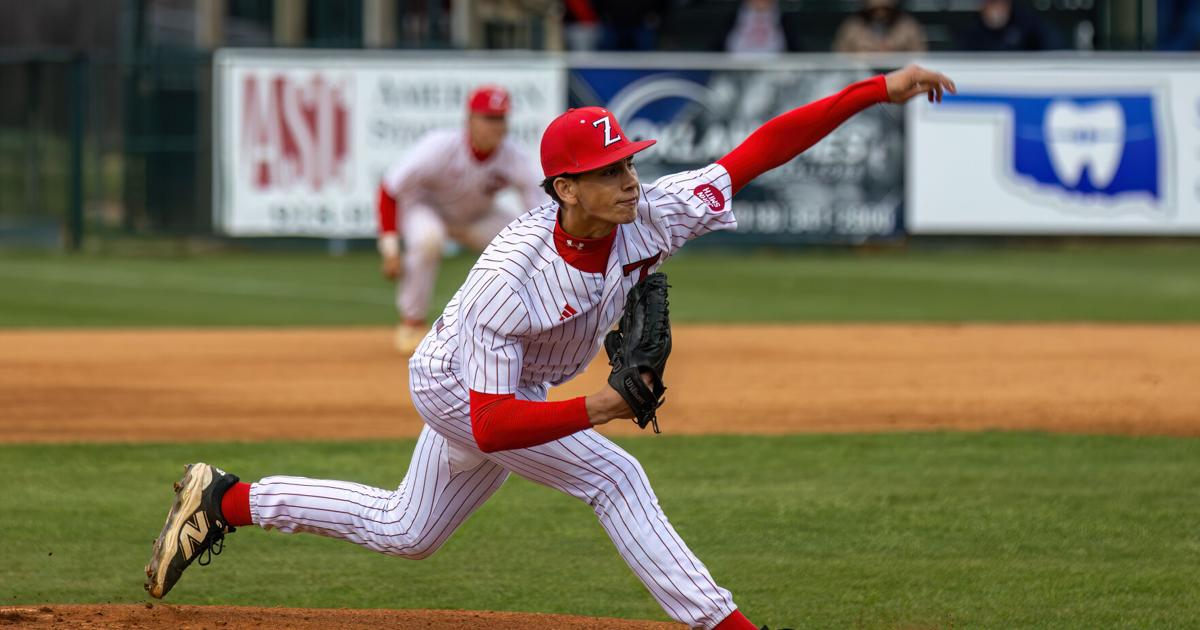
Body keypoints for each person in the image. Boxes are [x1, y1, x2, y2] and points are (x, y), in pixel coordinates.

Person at [144, 64, 956, 629]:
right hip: (458, 387)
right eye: (608, 171)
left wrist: (876, 90)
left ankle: (225, 500)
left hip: (515, 390)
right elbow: (492, 425)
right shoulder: (512, 278)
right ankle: (726, 624)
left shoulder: (651, 212)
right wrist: (602, 404)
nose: (629, 180)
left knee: (408, 530)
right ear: (566, 189)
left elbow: (761, 149)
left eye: (627, 162)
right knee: (615, 476)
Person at [377, 85, 548, 354]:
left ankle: (534, 322)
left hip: (476, 217)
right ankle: (412, 322)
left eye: (500, 118)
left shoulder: (513, 156)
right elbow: (390, 189)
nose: (496, 125)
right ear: (469, 120)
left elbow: (539, 211)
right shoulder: (439, 146)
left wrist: (543, 250)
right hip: (427, 209)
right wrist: (390, 249)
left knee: (524, 243)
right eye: (488, 118)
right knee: (429, 239)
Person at [959, 0, 1062, 51]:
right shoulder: (972, 32)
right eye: (992, 2)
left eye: (1000, 2)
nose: (996, 8)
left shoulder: (1026, 23)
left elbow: (1053, 47)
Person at [832, 0, 927, 53]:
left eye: (885, 9)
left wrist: (894, 54)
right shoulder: (852, 26)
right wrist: (862, 57)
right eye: (874, 9)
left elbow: (920, 54)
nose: (880, 14)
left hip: (900, 76)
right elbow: (839, 55)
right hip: (861, 76)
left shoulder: (909, 26)